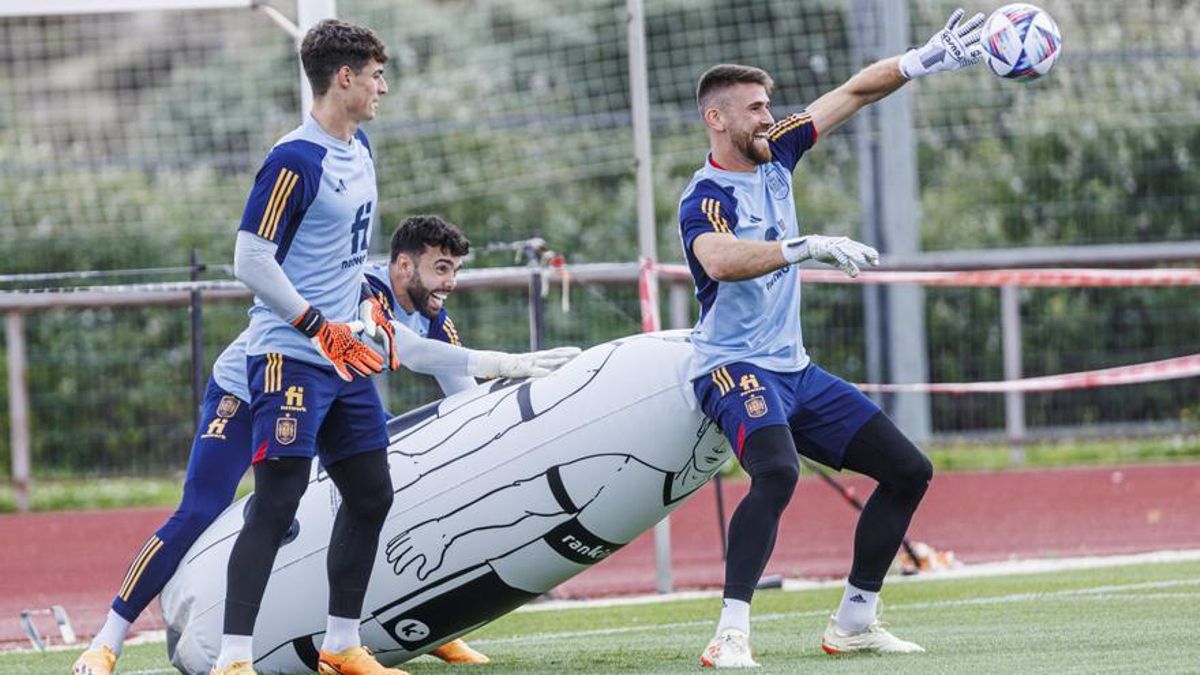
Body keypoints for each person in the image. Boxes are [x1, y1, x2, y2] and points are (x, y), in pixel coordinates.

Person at [70, 214, 567, 675]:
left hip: (330, 395)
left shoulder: (437, 315)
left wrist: (523, 411)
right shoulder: (364, 288)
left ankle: (418, 626)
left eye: (454, 270)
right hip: (251, 388)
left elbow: (467, 410)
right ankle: (108, 638)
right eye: (441, 268)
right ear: (402, 264)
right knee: (204, 509)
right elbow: (407, 351)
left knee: (391, 485)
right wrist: (502, 361)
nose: (449, 283)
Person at [679, 9, 986, 668]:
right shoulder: (704, 196)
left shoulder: (778, 149)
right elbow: (721, 260)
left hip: (795, 371)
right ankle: (730, 632)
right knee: (778, 471)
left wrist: (922, 59)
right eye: (757, 108)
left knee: (910, 470)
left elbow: (853, 91)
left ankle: (854, 619)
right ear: (718, 119)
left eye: (770, 106)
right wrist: (804, 246)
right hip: (731, 368)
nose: (770, 116)